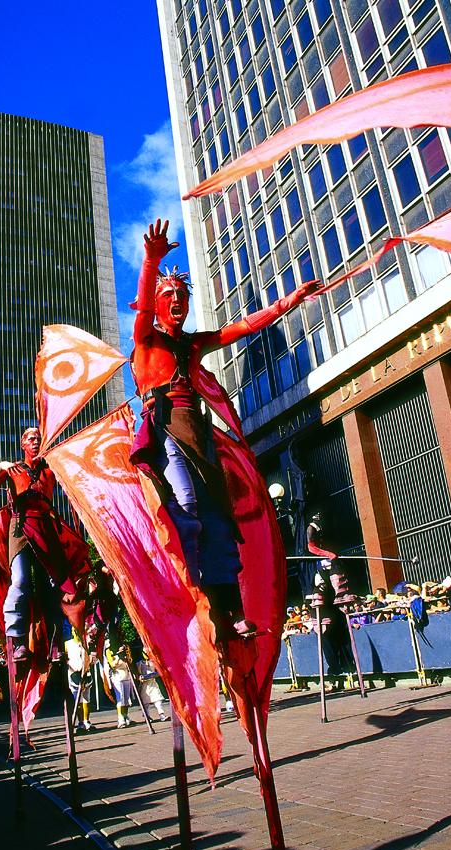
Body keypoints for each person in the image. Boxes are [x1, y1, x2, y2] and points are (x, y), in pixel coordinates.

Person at [130, 218, 320, 640]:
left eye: (181, 294)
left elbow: (242, 327)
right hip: (167, 430)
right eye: (168, 295)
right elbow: (142, 309)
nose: (176, 299)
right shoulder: (146, 338)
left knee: (218, 518)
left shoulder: (193, 343)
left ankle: (228, 607)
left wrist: (287, 301)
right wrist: (150, 261)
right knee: (186, 504)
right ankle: (186, 585)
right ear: (158, 305)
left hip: (199, 430)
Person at [0, 426, 79, 663]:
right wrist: (1, 466)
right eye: (31, 438)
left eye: (38, 438)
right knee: (21, 580)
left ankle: (55, 644)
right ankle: (17, 640)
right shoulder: (13, 470)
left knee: (50, 588)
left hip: (46, 530)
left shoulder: (50, 470)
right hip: (21, 528)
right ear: (23, 444)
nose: (36, 441)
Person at [65, 628, 94, 733]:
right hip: (74, 674)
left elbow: (92, 658)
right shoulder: (67, 644)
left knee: (87, 699)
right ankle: (80, 723)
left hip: (86, 674)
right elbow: (65, 660)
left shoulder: (85, 643)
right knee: (78, 700)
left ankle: (87, 721)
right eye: (74, 631)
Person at [103, 641, 136, 728]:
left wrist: (126, 654)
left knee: (126, 698)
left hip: (126, 675)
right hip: (117, 676)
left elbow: (130, 660)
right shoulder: (108, 650)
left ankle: (126, 716)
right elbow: (112, 665)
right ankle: (120, 719)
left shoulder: (126, 646)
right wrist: (118, 656)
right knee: (120, 698)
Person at [136, 649, 169, 722]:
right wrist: (140, 677)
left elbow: (158, 672)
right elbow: (137, 674)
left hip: (153, 683)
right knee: (146, 702)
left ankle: (162, 715)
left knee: (158, 700)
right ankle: (147, 717)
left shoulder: (154, 662)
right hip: (145, 685)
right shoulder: (140, 663)